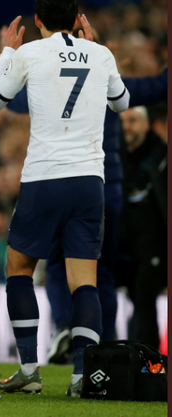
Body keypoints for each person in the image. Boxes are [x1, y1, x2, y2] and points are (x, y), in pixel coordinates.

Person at [0, 0, 129, 397]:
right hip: (89, 181)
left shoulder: (30, 52)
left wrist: (7, 53)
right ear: (78, 17)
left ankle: (29, 369)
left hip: (45, 177)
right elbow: (122, 103)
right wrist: (96, 48)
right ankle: (84, 377)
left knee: (19, 268)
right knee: (85, 281)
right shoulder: (101, 54)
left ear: (38, 22)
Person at [5, 19, 168, 362]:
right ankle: (98, 352)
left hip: (53, 180)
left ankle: (65, 329)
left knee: (52, 266)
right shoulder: (108, 78)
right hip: (103, 187)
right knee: (98, 274)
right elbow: (160, 85)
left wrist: (11, 58)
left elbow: (9, 99)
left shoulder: (44, 78)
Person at [118, 105, 167, 349]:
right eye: (124, 120)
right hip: (125, 245)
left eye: (133, 120)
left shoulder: (161, 157)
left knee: (144, 297)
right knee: (136, 298)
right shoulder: (115, 157)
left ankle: (147, 360)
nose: (127, 126)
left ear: (147, 125)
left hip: (155, 245)